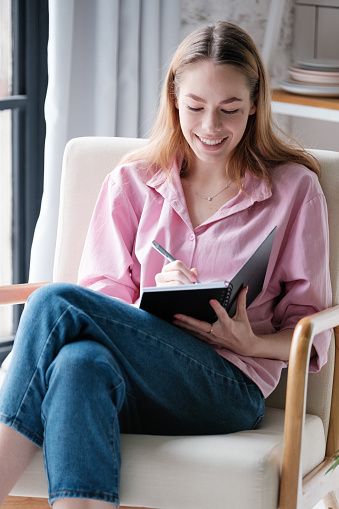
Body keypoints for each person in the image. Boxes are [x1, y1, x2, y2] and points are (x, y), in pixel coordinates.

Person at [0, 21, 332, 509]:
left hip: (227, 386)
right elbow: (101, 301)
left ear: (255, 105)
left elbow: (312, 331)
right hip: (135, 376)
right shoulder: (132, 182)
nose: (210, 127)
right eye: (196, 107)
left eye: (230, 110)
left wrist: (250, 340)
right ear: (175, 101)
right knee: (78, 362)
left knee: (53, 300)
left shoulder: (294, 191)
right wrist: (150, 301)